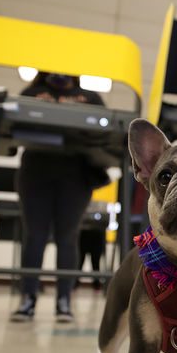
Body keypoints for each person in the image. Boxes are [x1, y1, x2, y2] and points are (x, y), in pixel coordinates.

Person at [10, 73, 109, 323]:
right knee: (34, 236)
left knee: (68, 237)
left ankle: (64, 301)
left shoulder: (89, 97)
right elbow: (14, 125)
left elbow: (104, 132)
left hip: (75, 175)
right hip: (35, 170)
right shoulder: (32, 93)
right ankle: (27, 298)